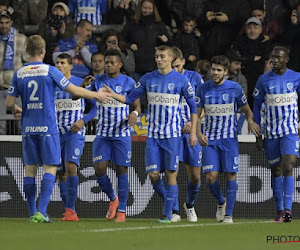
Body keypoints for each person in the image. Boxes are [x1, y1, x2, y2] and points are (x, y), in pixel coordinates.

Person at [5, 35, 109, 223]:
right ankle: (42, 211)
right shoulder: (49, 71)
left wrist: (16, 109)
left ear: (27, 51)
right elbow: (75, 91)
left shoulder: (19, 73)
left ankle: (31, 212)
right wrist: (96, 94)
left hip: (28, 128)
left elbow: (9, 102)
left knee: (29, 170)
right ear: (44, 51)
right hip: (47, 127)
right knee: (51, 167)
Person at [105, 45, 198, 223]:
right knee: (153, 175)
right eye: (157, 56)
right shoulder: (148, 78)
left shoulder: (181, 80)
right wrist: (113, 94)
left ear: (171, 58)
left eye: (162, 56)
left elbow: (194, 108)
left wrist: (193, 133)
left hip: (172, 135)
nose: (159, 59)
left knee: (171, 173)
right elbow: (130, 99)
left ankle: (168, 213)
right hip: (153, 136)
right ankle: (173, 207)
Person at [196, 55, 259, 224]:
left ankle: (229, 215)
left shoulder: (235, 88)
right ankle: (221, 201)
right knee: (211, 177)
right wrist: (197, 132)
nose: (215, 73)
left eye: (218, 70)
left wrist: (251, 121)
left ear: (225, 72)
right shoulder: (203, 89)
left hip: (229, 140)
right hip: (210, 140)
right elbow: (196, 113)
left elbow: (247, 110)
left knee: (231, 175)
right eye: (213, 69)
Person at [90, 48, 141, 223]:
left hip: (122, 133)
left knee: (121, 170)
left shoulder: (128, 82)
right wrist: (82, 85)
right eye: (107, 62)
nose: (108, 65)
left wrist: (134, 114)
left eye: (112, 63)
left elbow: (137, 106)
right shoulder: (97, 81)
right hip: (103, 134)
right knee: (99, 169)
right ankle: (113, 198)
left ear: (120, 64)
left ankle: (122, 211)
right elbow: (78, 97)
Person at [253, 46, 300, 223]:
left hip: (289, 131)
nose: (274, 60)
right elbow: (257, 106)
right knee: (276, 170)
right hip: (271, 133)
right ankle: (279, 210)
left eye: (278, 58)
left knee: (288, 165)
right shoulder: (263, 80)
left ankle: (288, 210)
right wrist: (259, 135)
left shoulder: (296, 77)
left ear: (286, 60)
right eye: (272, 57)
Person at [55, 53, 97, 221]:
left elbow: (94, 108)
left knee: (71, 167)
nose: (59, 65)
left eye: (62, 62)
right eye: (57, 62)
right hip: (56, 134)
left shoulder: (80, 82)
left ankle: (71, 210)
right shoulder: (51, 84)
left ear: (70, 66)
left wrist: (83, 120)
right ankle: (68, 210)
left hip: (74, 133)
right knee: (61, 173)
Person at [171, 47, 203, 222]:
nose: (175, 70)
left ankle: (189, 205)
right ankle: (175, 211)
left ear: (183, 61)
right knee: (172, 172)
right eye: (172, 66)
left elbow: (203, 106)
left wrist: (193, 123)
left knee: (196, 177)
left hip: (192, 132)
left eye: (177, 66)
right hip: (173, 132)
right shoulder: (166, 80)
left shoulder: (195, 78)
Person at [0, 9, 29, 134]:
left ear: (11, 22)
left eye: (7, 22)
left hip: (16, 88)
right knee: (0, 125)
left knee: (21, 123)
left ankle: (25, 153)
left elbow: (28, 62)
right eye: (1, 23)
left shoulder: (21, 39)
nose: (4, 25)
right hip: (0, 88)